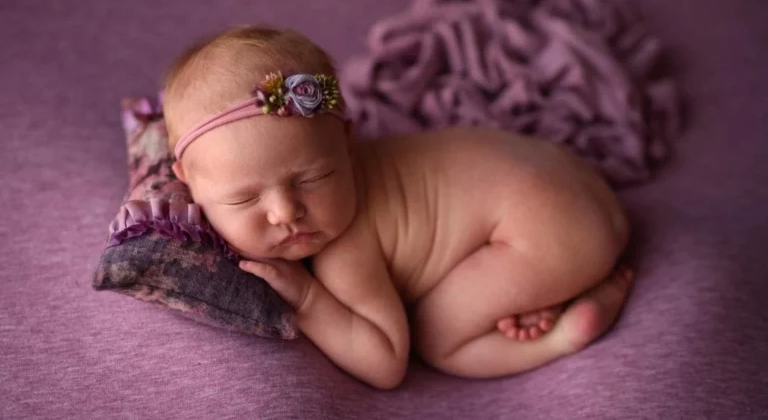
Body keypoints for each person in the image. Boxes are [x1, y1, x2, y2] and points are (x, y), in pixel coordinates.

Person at [163, 25, 633, 390]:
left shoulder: (343, 248)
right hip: (572, 182)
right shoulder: (324, 161)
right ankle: (543, 289)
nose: (287, 212)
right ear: (184, 180)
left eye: (314, 178)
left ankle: (567, 333)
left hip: (554, 229)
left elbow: (386, 364)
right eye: (244, 198)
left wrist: (308, 300)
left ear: (347, 144)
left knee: (439, 338)